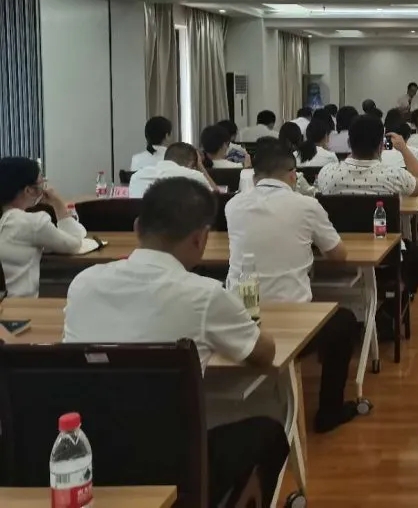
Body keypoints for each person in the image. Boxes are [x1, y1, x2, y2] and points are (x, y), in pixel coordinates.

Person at [62, 178, 289, 507]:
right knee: (268, 433)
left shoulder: (83, 284)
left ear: (137, 227)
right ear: (201, 238)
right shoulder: (205, 295)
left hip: (86, 461)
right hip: (172, 465)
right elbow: (263, 354)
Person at [225, 143, 359, 432]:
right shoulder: (306, 205)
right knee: (345, 321)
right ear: (292, 175)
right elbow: (339, 256)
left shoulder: (233, 205)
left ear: (255, 176)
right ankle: (330, 411)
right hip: (293, 320)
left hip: (241, 317)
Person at [0, 157, 86, 297]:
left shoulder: (10, 221)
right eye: (42, 184)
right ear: (29, 190)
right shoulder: (33, 223)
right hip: (20, 306)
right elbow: (74, 244)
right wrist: (58, 204)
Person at [317, 114, 418, 197]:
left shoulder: (327, 173)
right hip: (382, 225)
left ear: (349, 143)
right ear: (381, 145)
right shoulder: (395, 176)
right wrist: (404, 149)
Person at [129, 142, 214, 198]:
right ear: (191, 163)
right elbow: (216, 198)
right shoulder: (194, 177)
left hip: (146, 221)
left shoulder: (137, 177)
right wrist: (200, 166)